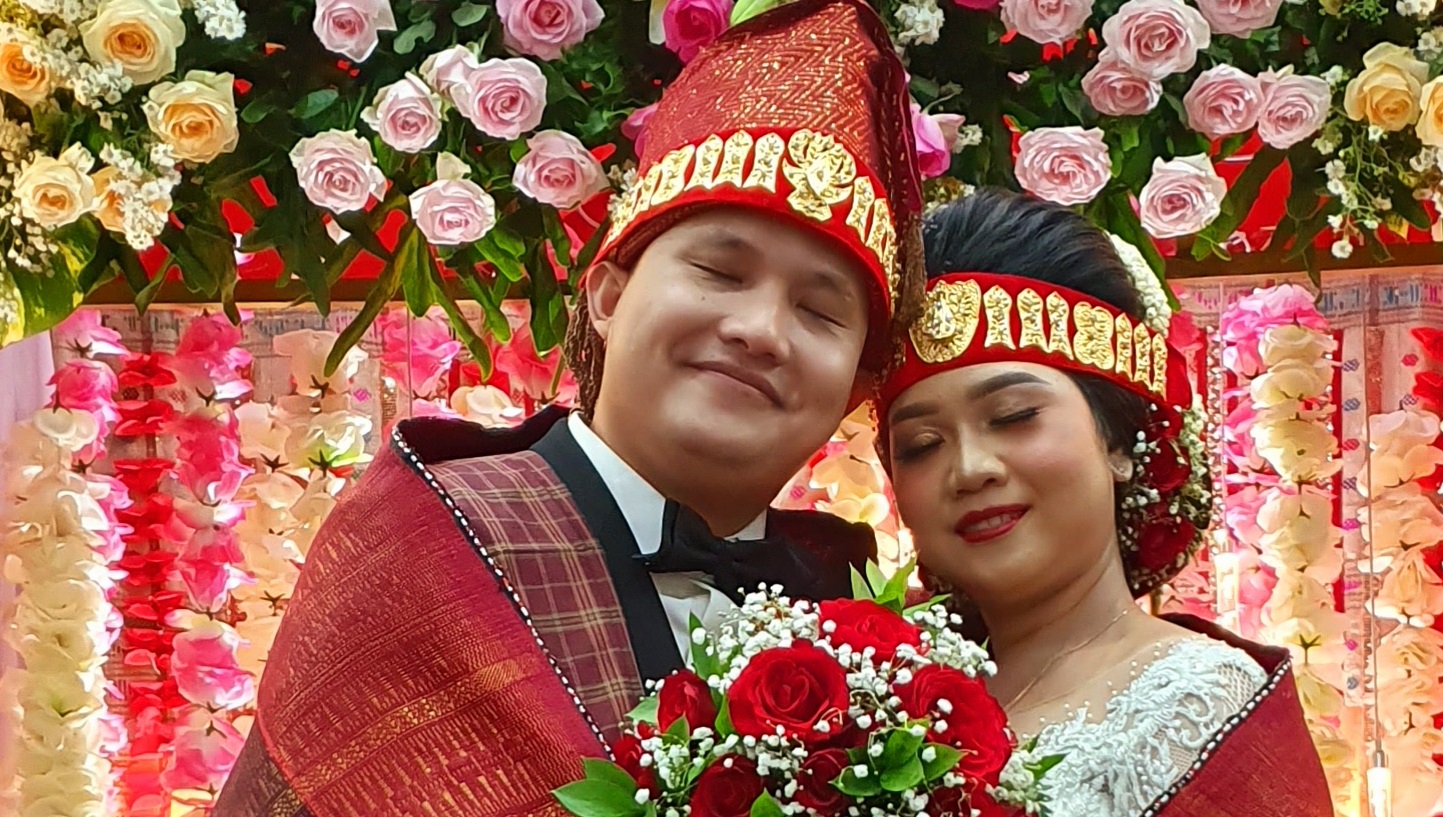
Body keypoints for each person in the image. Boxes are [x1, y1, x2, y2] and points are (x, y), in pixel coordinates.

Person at [215, 1, 925, 813]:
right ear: (608, 296)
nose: (760, 329)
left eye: (820, 311)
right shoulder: (424, 547)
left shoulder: (853, 612)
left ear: (855, 389)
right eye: (720, 272)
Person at [876, 190, 1333, 817]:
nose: (970, 469)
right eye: (921, 446)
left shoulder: (1195, 703)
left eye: (1013, 416)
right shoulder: (880, 697)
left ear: (1116, 442)